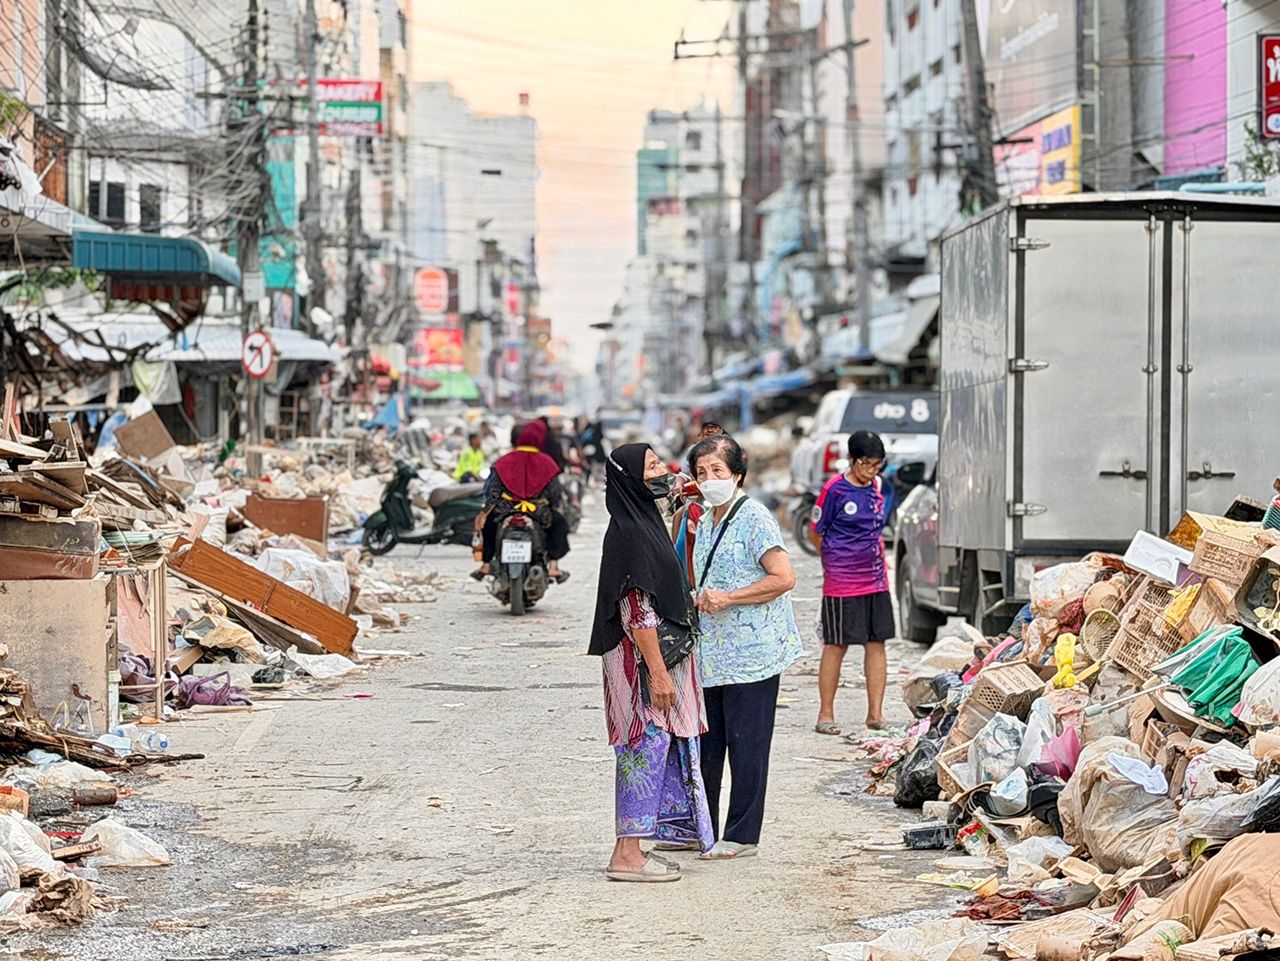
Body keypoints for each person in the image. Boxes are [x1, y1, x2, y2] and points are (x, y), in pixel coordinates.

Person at [588, 443, 714, 881]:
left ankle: (637, 846)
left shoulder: (642, 520)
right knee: (643, 748)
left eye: (660, 462)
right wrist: (659, 674)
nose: (663, 470)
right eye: (652, 466)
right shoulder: (630, 535)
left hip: (651, 660)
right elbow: (637, 612)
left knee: (655, 748)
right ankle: (626, 856)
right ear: (630, 479)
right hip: (641, 665)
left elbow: (679, 491)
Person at [689, 434, 801, 860]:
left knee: (747, 747)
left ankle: (742, 835)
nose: (709, 479)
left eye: (717, 470)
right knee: (709, 746)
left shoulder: (754, 517)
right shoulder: (706, 520)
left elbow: (783, 578)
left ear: (736, 473)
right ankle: (702, 828)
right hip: (713, 654)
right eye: (702, 472)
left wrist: (730, 598)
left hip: (753, 654)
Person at [810, 430, 896, 735]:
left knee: (877, 643)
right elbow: (816, 532)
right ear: (851, 459)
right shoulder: (834, 490)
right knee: (836, 645)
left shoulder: (879, 487)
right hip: (842, 582)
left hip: (876, 580)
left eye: (876, 465)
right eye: (865, 464)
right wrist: (835, 562)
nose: (870, 471)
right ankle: (825, 714)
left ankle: (875, 714)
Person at [473, 421, 570, 582]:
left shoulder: (503, 461)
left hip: (506, 509)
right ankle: (553, 566)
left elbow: (494, 491)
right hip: (537, 511)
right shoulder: (547, 462)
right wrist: (553, 505)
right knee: (558, 524)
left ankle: (486, 564)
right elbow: (555, 493)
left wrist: (485, 512)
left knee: (489, 525)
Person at [671, 421, 726, 583]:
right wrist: (679, 485)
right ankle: (677, 567)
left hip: (721, 502)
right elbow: (683, 475)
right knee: (678, 520)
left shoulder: (726, 452)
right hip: (696, 502)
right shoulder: (693, 452)